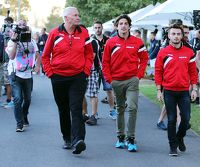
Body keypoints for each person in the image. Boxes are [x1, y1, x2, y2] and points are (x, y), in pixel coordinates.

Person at [41, 7, 94, 155]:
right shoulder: (54, 33)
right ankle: (67, 138)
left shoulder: (84, 33)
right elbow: (45, 56)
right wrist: (50, 73)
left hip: (78, 77)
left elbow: (90, 54)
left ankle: (79, 140)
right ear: (66, 18)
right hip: (58, 77)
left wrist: (86, 71)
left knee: (76, 107)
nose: (78, 17)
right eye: (75, 15)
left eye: (78, 14)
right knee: (63, 109)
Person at [102, 14, 149, 152]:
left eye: (125, 23)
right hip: (116, 81)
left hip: (132, 81)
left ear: (129, 26)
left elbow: (144, 59)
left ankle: (131, 138)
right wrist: (110, 79)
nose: (123, 26)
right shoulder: (110, 42)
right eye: (120, 23)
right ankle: (120, 137)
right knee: (120, 108)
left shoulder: (137, 42)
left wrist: (138, 75)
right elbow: (105, 62)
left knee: (133, 108)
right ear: (117, 26)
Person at [155, 24, 198, 156]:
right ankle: (173, 146)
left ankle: (179, 137)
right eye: (173, 34)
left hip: (184, 91)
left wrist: (194, 89)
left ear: (182, 36)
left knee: (185, 119)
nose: (176, 36)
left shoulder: (189, 52)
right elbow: (158, 72)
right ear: (169, 36)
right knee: (172, 119)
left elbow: (193, 72)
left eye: (178, 34)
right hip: (169, 91)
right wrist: (158, 90)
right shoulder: (163, 52)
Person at [5, 19, 41, 132]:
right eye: (19, 25)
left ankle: (24, 115)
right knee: (17, 99)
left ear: (27, 27)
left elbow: (37, 54)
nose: (21, 26)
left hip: (28, 74)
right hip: (15, 74)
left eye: (23, 24)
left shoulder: (32, 41)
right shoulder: (11, 41)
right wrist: (15, 42)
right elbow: (11, 56)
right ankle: (19, 123)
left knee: (28, 99)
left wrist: (38, 65)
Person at [92, 21, 117, 119]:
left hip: (107, 70)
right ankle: (95, 113)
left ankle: (112, 110)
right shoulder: (91, 40)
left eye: (99, 27)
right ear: (94, 29)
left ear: (102, 28)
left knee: (109, 90)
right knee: (95, 93)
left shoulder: (109, 40)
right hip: (95, 70)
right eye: (96, 28)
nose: (98, 29)